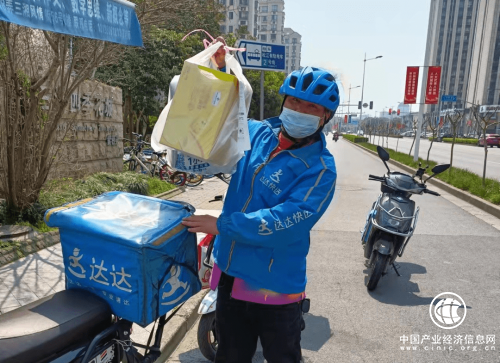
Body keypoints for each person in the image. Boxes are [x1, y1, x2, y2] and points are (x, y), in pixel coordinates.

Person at [182, 40, 339, 363]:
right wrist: (220, 69)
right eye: (295, 101)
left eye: (312, 107)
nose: (300, 110)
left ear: (325, 117)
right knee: (230, 355)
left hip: (276, 289)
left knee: (282, 358)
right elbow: (222, 116)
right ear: (284, 102)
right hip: (230, 277)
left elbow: (287, 221)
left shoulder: (321, 169)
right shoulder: (258, 133)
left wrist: (221, 225)